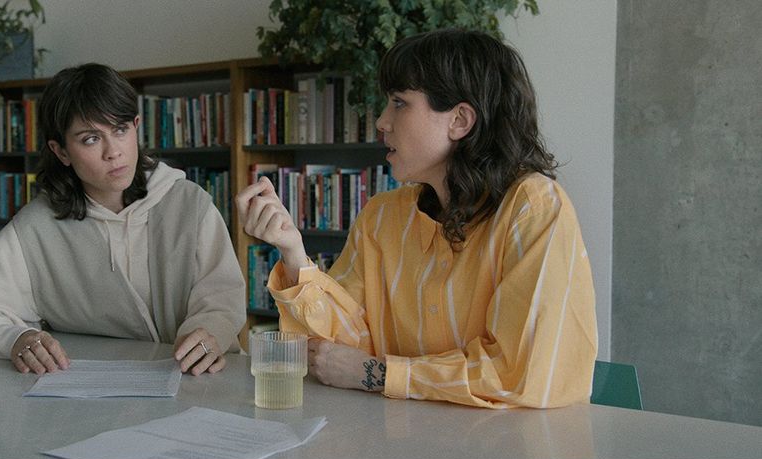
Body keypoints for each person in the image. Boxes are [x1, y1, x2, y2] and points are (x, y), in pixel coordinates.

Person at [235, 29, 597, 408]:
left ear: (459, 120)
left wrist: (379, 373)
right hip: (400, 434)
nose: (381, 121)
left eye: (399, 103)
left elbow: (519, 374)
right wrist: (292, 251)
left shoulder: (534, 208)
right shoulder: (382, 216)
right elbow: (334, 354)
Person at [0, 63, 245, 376]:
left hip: (200, 382)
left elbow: (223, 298)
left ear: (136, 126)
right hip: (88, 401)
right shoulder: (37, 228)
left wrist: (210, 332)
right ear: (61, 152)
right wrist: (16, 338)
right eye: (90, 139)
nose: (113, 152)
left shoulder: (191, 205)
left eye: (121, 130)